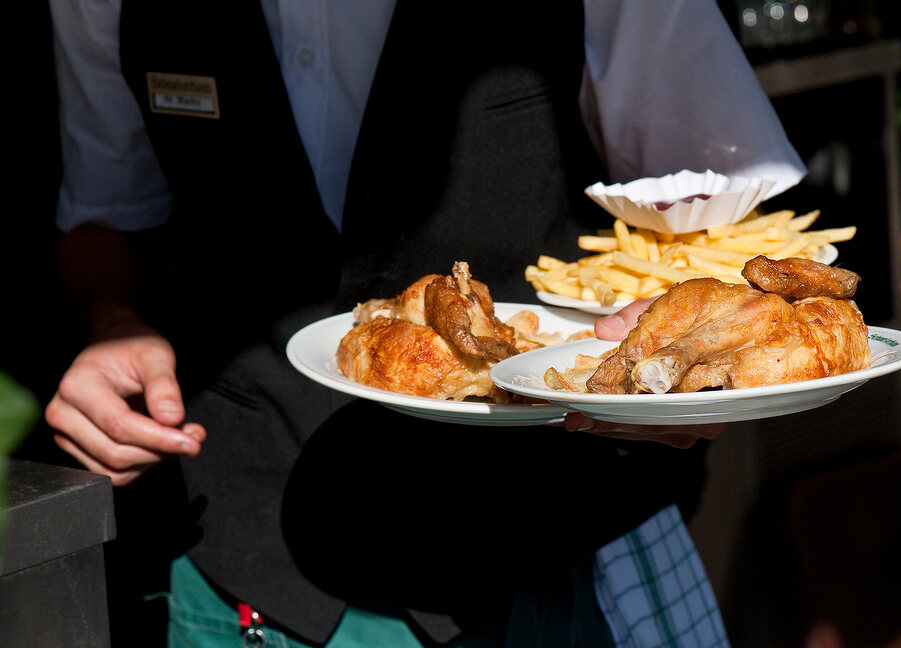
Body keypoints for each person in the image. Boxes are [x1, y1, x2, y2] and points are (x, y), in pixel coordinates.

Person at [45, 1, 806, 646]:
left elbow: (728, 210)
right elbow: (108, 217)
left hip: (548, 555)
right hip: (244, 545)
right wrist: (114, 321)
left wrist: (692, 366)